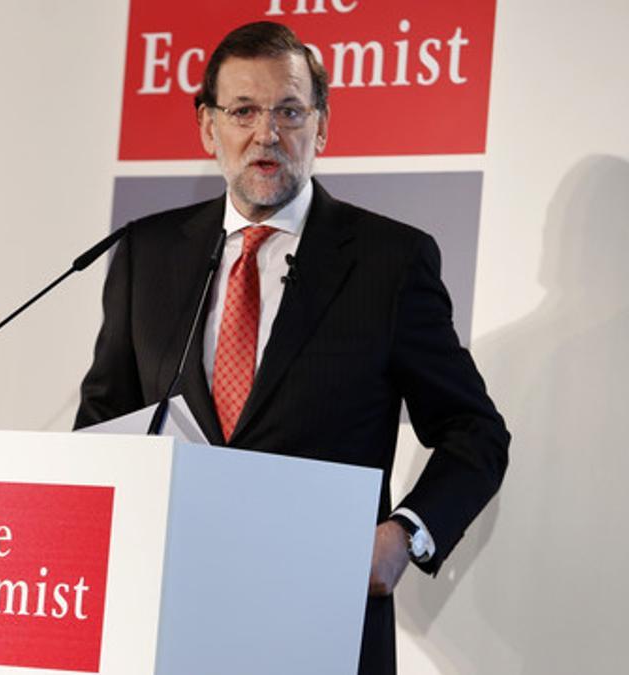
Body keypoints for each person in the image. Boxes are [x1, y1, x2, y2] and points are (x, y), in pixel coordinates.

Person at [74, 21, 509, 675]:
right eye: (243, 111)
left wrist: (403, 535)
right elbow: (104, 421)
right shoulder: (146, 252)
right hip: (170, 621)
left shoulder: (388, 262)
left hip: (321, 625)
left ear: (322, 127)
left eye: (289, 111)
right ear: (207, 128)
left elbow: (474, 433)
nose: (266, 133)